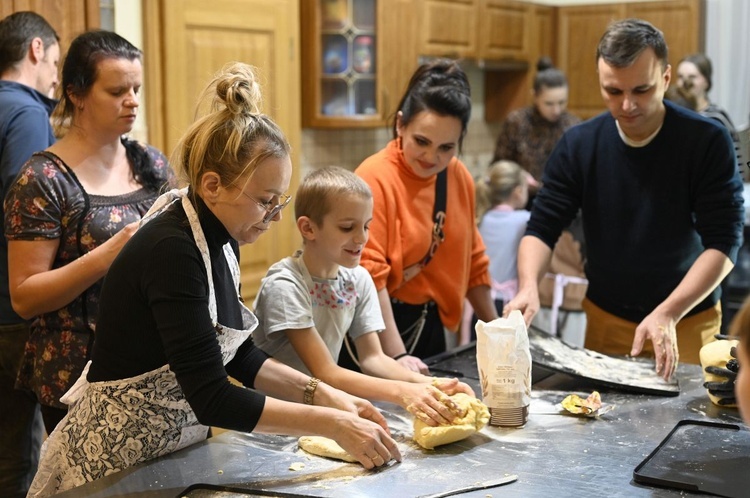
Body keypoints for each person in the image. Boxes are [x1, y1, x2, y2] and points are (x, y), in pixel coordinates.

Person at [27, 62, 401, 497]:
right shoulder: (173, 248)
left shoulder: (220, 237)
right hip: (112, 463)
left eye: (279, 200)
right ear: (212, 185)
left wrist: (322, 394)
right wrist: (332, 422)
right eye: (265, 201)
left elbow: (237, 354)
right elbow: (212, 396)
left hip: (169, 451)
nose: (276, 217)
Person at [505, 19, 744, 382]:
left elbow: (724, 241)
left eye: (641, 90)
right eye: (613, 91)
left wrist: (668, 312)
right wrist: (527, 286)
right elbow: (542, 226)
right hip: (608, 321)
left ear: (665, 78)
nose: (627, 105)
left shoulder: (705, 141)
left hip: (687, 321)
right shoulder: (580, 145)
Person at [4, 30, 174, 436]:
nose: (132, 101)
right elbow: (25, 296)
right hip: (79, 375)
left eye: (136, 88)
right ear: (77, 94)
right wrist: (108, 254)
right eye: (117, 91)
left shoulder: (150, 162)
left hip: (156, 364)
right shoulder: (43, 177)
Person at [254, 166, 475, 426]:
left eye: (367, 226)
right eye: (347, 227)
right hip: (274, 418)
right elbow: (326, 373)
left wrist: (432, 384)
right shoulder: (285, 285)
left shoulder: (357, 279)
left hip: (322, 409)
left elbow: (373, 358)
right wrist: (402, 392)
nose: (361, 238)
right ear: (308, 228)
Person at [348, 59, 498, 374]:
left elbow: (473, 260)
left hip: (432, 328)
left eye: (446, 147)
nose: (432, 158)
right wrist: (399, 357)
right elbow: (369, 277)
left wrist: (500, 334)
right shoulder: (374, 177)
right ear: (401, 124)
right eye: (421, 142)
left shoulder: (457, 176)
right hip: (380, 331)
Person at [0, 11, 59, 498]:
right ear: (35, 49)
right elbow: (26, 207)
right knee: (24, 457)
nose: (56, 78)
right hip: (13, 310)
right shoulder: (27, 112)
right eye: (56, 61)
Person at [491, 56, 580, 199]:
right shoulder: (517, 122)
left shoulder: (574, 126)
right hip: (522, 201)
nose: (556, 110)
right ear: (535, 96)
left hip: (563, 202)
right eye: (549, 103)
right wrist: (518, 174)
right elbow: (497, 167)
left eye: (562, 102)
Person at [460, 160, 529, 342]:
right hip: (506, 304)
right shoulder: (523, 220)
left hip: (476, 301)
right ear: (518, 191)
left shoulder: (480, 218)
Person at [676, 53, 742, 167]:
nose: (685, 83)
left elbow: (735, 163)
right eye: (680, 77)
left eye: (692, 77)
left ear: (706, 82)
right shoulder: (675, 116)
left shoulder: (716, 118)